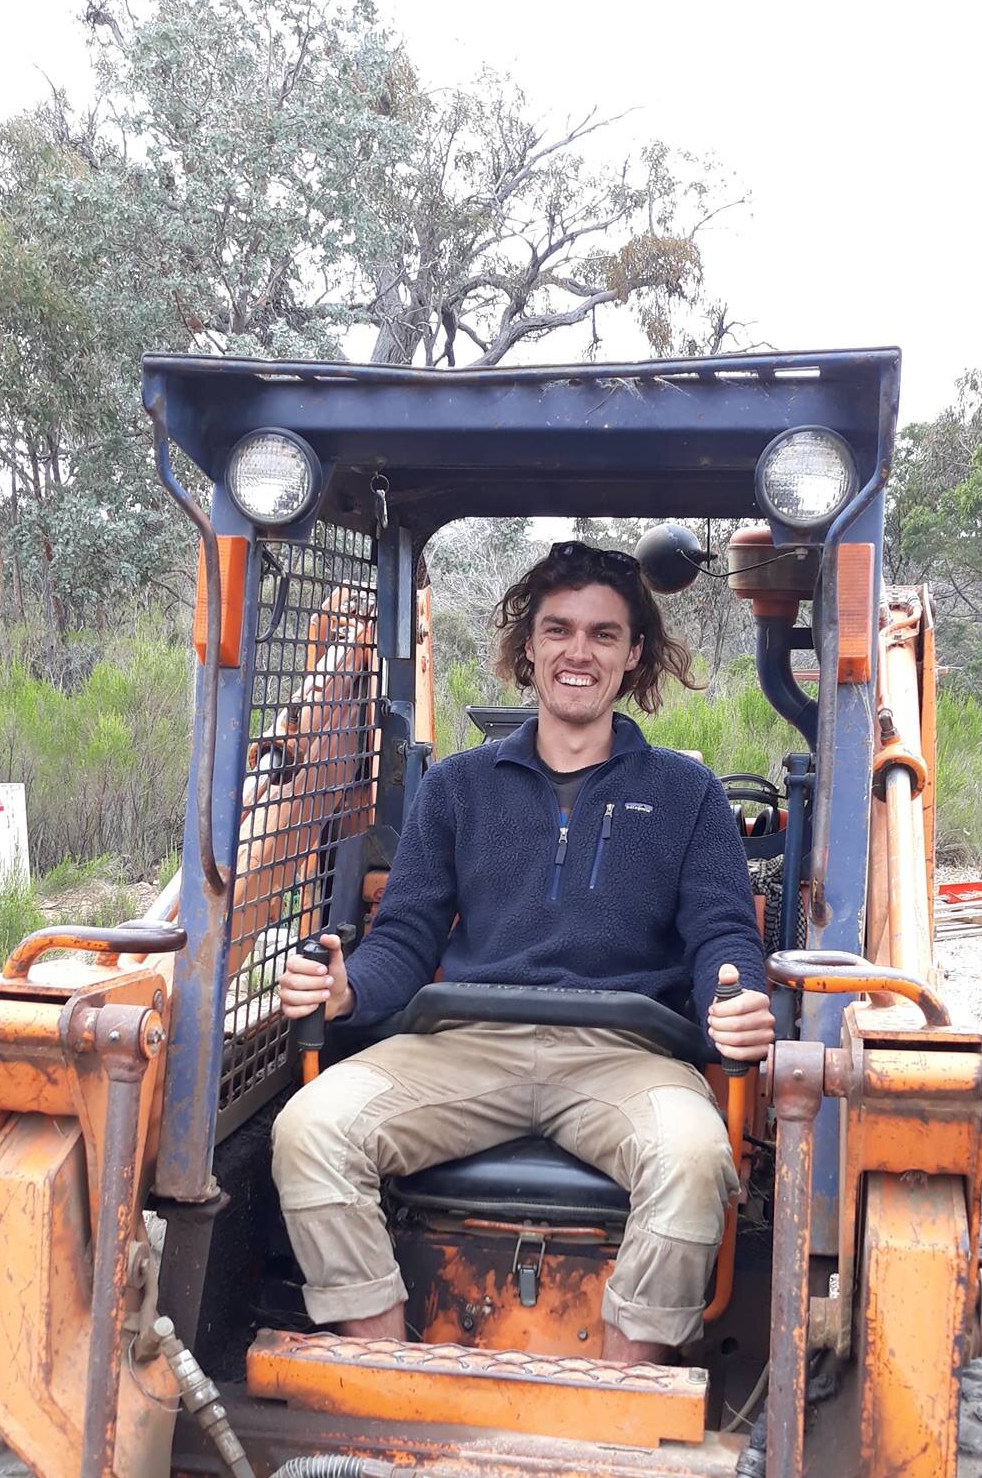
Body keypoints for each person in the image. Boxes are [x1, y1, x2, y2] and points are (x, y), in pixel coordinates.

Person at [271, 539, 772, 1365]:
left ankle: (624, 1400)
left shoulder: (688, 795)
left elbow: (722, 932)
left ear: (633, 654)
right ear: (529, 648)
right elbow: (403, 938)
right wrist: (347, 989)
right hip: (467, 1043)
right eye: (559, 630)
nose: (580, 651)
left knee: (692, 1155)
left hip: (624, 1052)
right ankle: (385, 1373)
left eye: (604, 635)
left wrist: (736, 1001)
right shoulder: (457, 789)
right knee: (311, 1128)